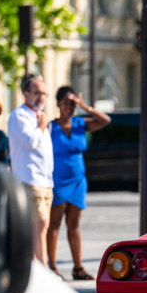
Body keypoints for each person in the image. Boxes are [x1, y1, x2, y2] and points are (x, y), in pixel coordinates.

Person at [47, 86, 111, 280]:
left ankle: (78, 268)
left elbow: (105, 120)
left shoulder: (80, 123)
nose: (69, 107)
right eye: (66, 102)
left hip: (77, 182)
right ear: (58, 103)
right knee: (54, 223)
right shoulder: (50, 126)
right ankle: (51, 267)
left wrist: (86, 107)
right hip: (57, 181)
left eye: (73, 103)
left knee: (74, 224)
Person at [7, 73, 54, 267]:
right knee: (39, 226)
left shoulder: (39, 117)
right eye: (36, 93)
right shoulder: (20, 115)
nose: (41, 97)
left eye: (44, 93)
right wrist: (42, 126)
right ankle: (41, 269)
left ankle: (36, 267)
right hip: (30, 179)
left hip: (45, 182)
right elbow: (30, 141)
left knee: (42, 227)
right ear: (25, 94)